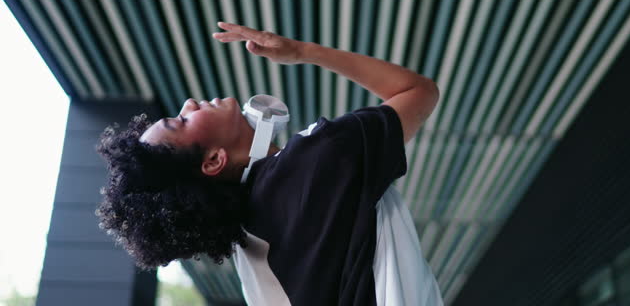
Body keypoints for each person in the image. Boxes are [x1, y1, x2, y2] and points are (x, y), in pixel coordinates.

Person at [96, 21, 444, 305]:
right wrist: (303, 52)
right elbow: (417, 91)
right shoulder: (319, 158)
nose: (189, 103)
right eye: (182, 122)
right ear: (214, 161)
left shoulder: (250, 242)